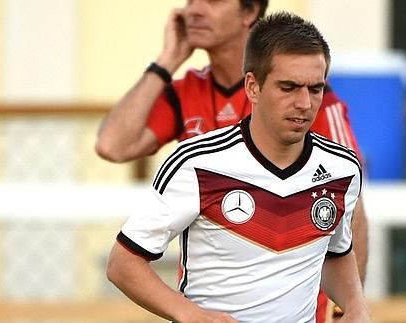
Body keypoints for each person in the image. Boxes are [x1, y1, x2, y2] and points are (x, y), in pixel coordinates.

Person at [95, 0, 369, 320]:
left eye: (211, 0)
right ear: (254, 87)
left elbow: (346, 215)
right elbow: (112, 146)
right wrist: (166, 60)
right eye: (191, 0)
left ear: (250, 11)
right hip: (213, 297)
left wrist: (350, 305)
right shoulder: (189, 106)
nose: (193, 10)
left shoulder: (315, 110)